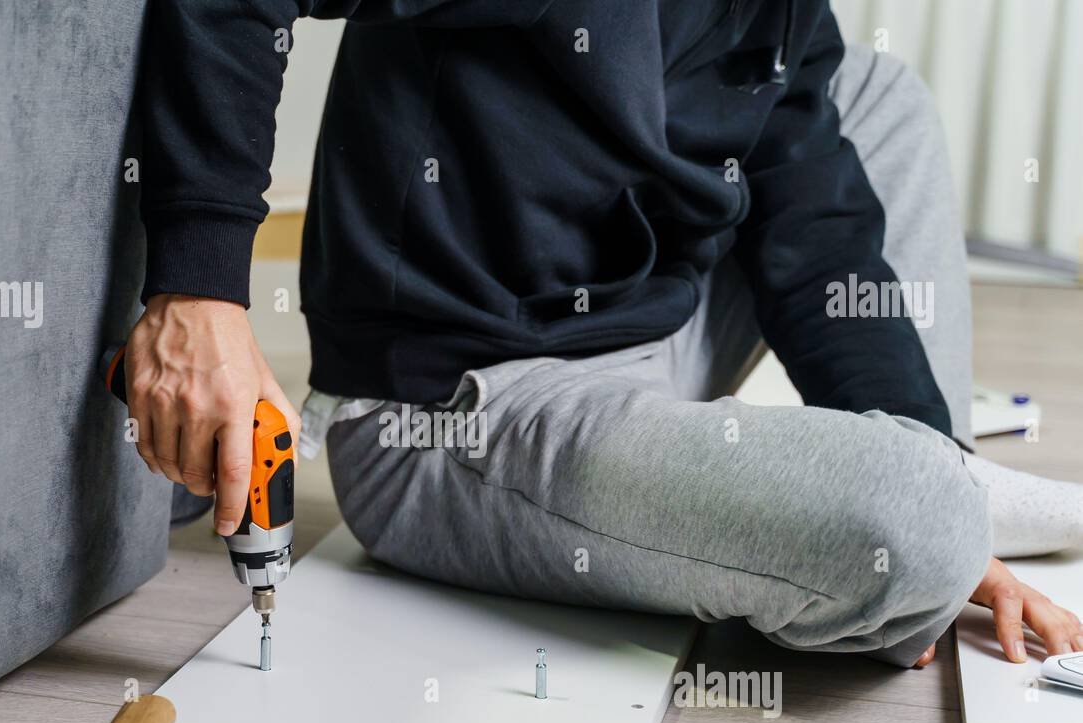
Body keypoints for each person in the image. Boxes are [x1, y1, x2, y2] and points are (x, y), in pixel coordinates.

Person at [123, 0, 1083, 668]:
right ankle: (953, 509)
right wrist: (199, 291)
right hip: (461, 409)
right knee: (917, 523)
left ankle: (951, 483)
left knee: (876, 94)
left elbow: (819, 237)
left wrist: (919, 439)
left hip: (653, 341)